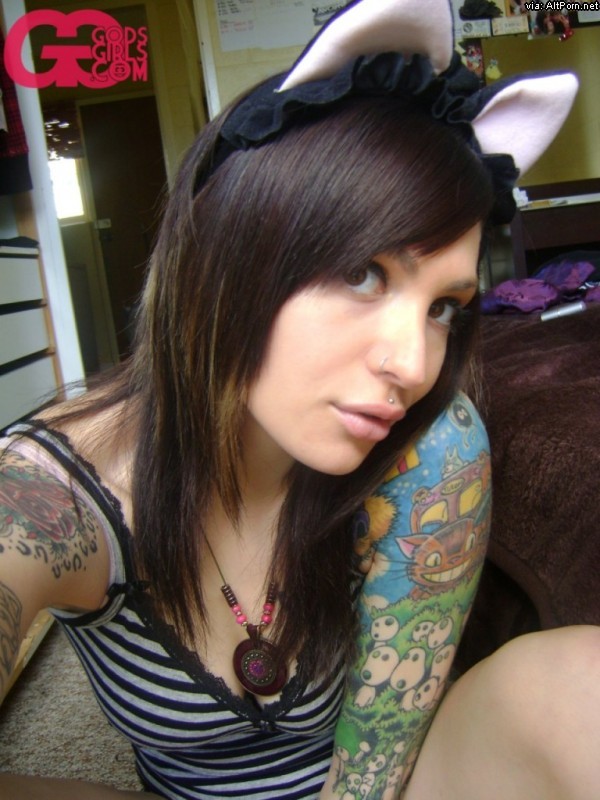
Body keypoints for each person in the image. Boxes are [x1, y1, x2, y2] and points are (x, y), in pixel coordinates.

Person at [1, 1, 598, 798]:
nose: (414, 364)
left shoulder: (432, 445)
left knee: (578, 686)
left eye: (443, 308)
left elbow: (376, 762)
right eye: (363, 274)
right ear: (225, 255)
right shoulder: (54, 495)